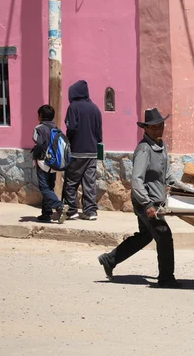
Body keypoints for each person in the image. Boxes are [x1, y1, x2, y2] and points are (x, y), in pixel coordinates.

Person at [97, 108, 180, 288]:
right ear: (146, 129)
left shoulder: (161, 145)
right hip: (146, 202)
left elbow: (168, 176)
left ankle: (110, 260)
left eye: (161, 125)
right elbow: (137, 179)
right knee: (164, 236)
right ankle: (166, 278)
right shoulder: (144, 149)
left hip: (156, 201)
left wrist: (188, 190)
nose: (159, 129)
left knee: (145, 236)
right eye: (154, 127)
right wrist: (147, 203)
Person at [63, 80, 103, 220]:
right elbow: (99, 132)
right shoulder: (95, 108)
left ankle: (71, 210)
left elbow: (71, 127)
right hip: (92, 151)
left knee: (71, 181)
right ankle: (90, 211)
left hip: (77, 151)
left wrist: (69, 140)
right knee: (89, 182)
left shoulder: (73, 107)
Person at [31, 105, 68, 224]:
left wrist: (34, 157)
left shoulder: (39, 128)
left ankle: (59, 206)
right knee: (49, 186)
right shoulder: (56, 128)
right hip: (53, 163)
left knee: (44, 188)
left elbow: (39, 144)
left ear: (40, 116)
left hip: (43, 162)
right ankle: (46, 213)